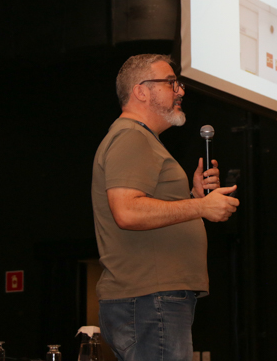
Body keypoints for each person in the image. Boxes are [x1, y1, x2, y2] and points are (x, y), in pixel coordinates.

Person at [91, 53, 240, 361]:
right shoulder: (131, 136)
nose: (180, 91)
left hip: (152, 299)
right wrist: (201, 208)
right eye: (171, 83)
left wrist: (194, 198)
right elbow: (127, 212)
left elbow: (145, 210)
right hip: (149, 299)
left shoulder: (141, 138)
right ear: (141, 91)